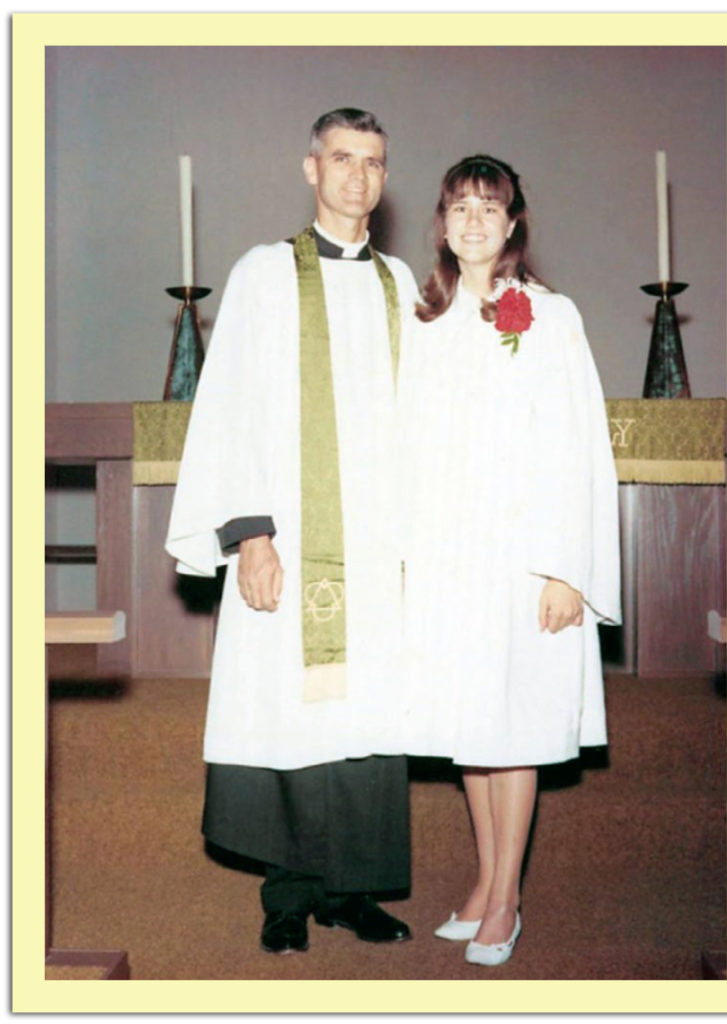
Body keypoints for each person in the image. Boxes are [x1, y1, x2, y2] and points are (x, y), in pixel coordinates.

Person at [166, 108, 418, 955]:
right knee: (286, 713)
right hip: (289, 533)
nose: (358, 176)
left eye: (373, 162)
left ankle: (353, 890)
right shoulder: (265, 274)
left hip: (380, 550)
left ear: (384, 178)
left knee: (365, 715)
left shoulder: (402, 283)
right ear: (311, 168)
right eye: (342, 158)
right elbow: (230, 402)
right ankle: (287, 894)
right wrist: (253, 535)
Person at [398, 155, 621, 967]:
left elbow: (576, 448)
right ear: (442, 222)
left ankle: (506, 898)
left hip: (525, 555)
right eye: (459, 207)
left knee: (514, 725)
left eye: (489, 208)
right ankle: (487, 880)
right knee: (471, 725)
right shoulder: (423, 319)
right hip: (450, 555)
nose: (473, 222)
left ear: (513, 222)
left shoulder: (549, 316)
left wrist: (569, 569)